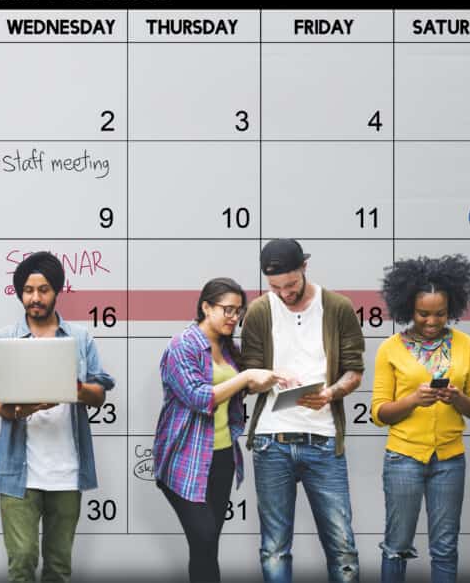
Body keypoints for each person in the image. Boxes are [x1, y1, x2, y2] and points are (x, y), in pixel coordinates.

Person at [240, 239, 364, 583]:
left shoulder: (338, 307)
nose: (284, 293)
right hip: (271, 440)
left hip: (324, 440)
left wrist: (331, 393)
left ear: (305, 267)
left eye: (291, 284)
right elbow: (248, 378)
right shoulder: (260, 311)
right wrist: (269, 378)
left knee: (342, 548)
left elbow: (354, 371)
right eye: (275, 287)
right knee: (274, 548)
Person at [0, 251, 115, 583]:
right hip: (19, 473)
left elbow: (100, 393)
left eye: (43, 289)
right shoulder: (5, 339)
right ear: (20, 293)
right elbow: (0, 407)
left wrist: (73, 388)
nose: (35, 297)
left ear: (56, 291)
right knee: (22, 562)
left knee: (59, 568)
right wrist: (24, 408)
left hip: (66, 472)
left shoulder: (80, 338)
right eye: (29, 290)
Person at [154, 277, 283, 582]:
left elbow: (232, 393)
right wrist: (247, 376)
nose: (233, 317)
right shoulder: (182, 346)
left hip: (222, 457)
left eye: (238, 311)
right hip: (185, 460)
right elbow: (200, 397)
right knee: (204, 537)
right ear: (205, 307)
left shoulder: (227, 347)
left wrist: (267, 380)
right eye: (227, 309)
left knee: (207, 549)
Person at [371, 255, 470, 582]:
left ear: (452, 309)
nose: (432, 321)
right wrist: (411, 400)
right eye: (424, 313)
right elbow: (378, 413)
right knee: (396, 546)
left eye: (441, 314)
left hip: (450, 460)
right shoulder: (390, 349)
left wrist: (457, 398)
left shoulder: (466, 346)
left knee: (446, 548)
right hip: (403, 459)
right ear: (409, 307)